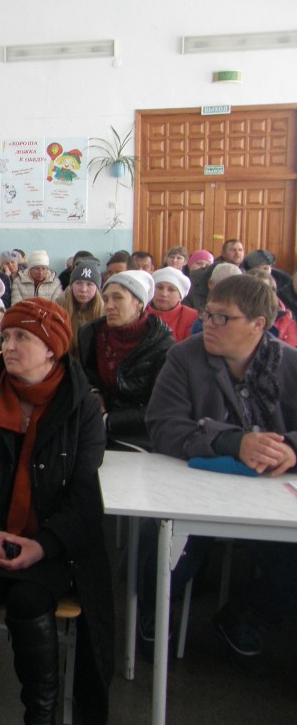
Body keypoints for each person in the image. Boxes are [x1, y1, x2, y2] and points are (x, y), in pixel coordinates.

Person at [0, 298, 112, 725]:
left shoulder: (81, 406)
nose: (8, 346)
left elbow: (83, 496)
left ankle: (41, 713)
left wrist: (45, 544)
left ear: (52, 349)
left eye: (22, 337)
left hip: (49, 540)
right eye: (7, 336)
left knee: (29, 599)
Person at [144, 275, 297, 669]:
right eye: (208, 314)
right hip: (196, 487)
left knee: (289, 566)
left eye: (222, 318)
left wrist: (290, 448)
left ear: (258, 324)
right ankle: (153, 614)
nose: (208, 323)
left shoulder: (290, 363)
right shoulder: (184, 357)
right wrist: (234, 442)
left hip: (270, 492)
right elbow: (163, 426)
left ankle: (244, 614)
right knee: (164, 550)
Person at [78, 270, 174, 450]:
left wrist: (108, 420)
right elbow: (87, 375)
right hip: (93, 428)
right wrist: (94, 392)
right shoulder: (92, 334)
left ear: (139, 303)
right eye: (106, 299)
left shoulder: (163, 347)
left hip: (139, 436)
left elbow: (162, 406)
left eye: (118, 298)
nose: (109, 306)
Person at [59, 259, 105, 360]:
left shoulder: (104, 314)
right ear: (71, 286)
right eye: (78, 283)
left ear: (97, 288)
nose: (83, 289)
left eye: (89, 284)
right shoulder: (59, 310)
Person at [148, 267, 198, 342]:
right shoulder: (140, 311)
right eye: (159, 288)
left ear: (180, 297)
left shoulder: (191, 316)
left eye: (171, 290)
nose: (164, 294)